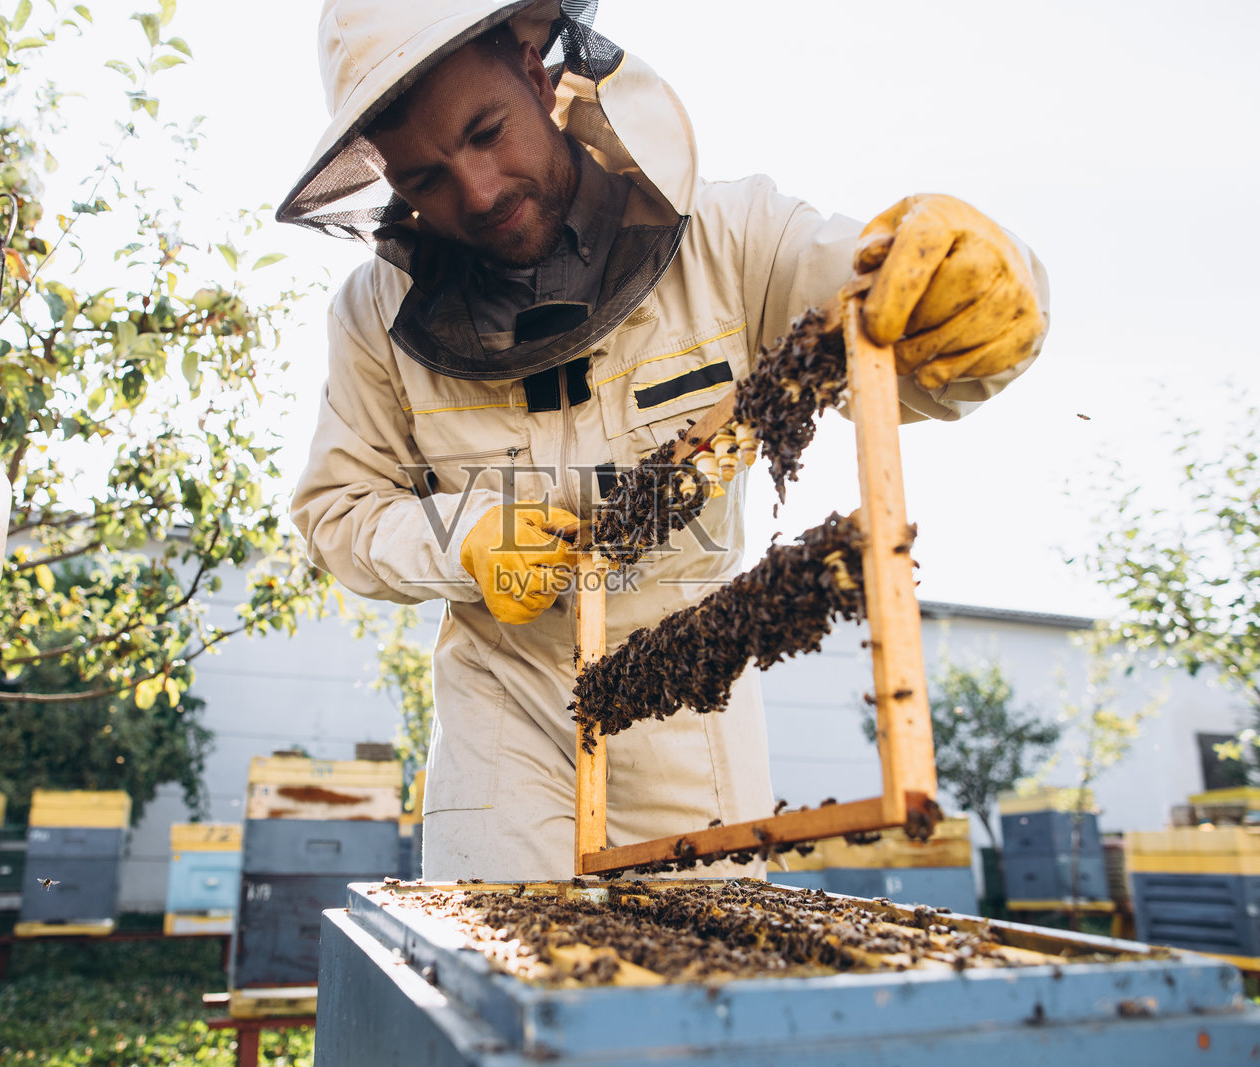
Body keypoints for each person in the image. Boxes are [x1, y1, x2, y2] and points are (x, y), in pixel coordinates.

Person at [283, 0, 1049, 881]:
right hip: (505, 718)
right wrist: (464, 539)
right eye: (426, 178)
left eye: (488, 131)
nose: (480, 191)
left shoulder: (731, 240)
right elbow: (335, 512)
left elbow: (884, 306)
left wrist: (983, 284)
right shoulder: (374, 317)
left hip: (690, 722)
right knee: (502, 999)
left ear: (537, 69)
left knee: (696, 1004)